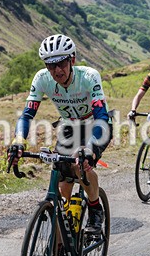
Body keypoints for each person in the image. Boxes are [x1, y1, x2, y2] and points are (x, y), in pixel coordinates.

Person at [7, 34, 112, 235]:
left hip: (96, 125)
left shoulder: (89, 76)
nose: (57, 70)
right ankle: (60, 248)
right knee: (61, 184)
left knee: (81, 166)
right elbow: (27, 114)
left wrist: (89, 148)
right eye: (51, 65)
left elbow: (101, 116)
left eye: (61, 63)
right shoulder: (41, 79)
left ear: (71, 60)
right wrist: (18, 141)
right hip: (69, 126)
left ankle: (95, 208)